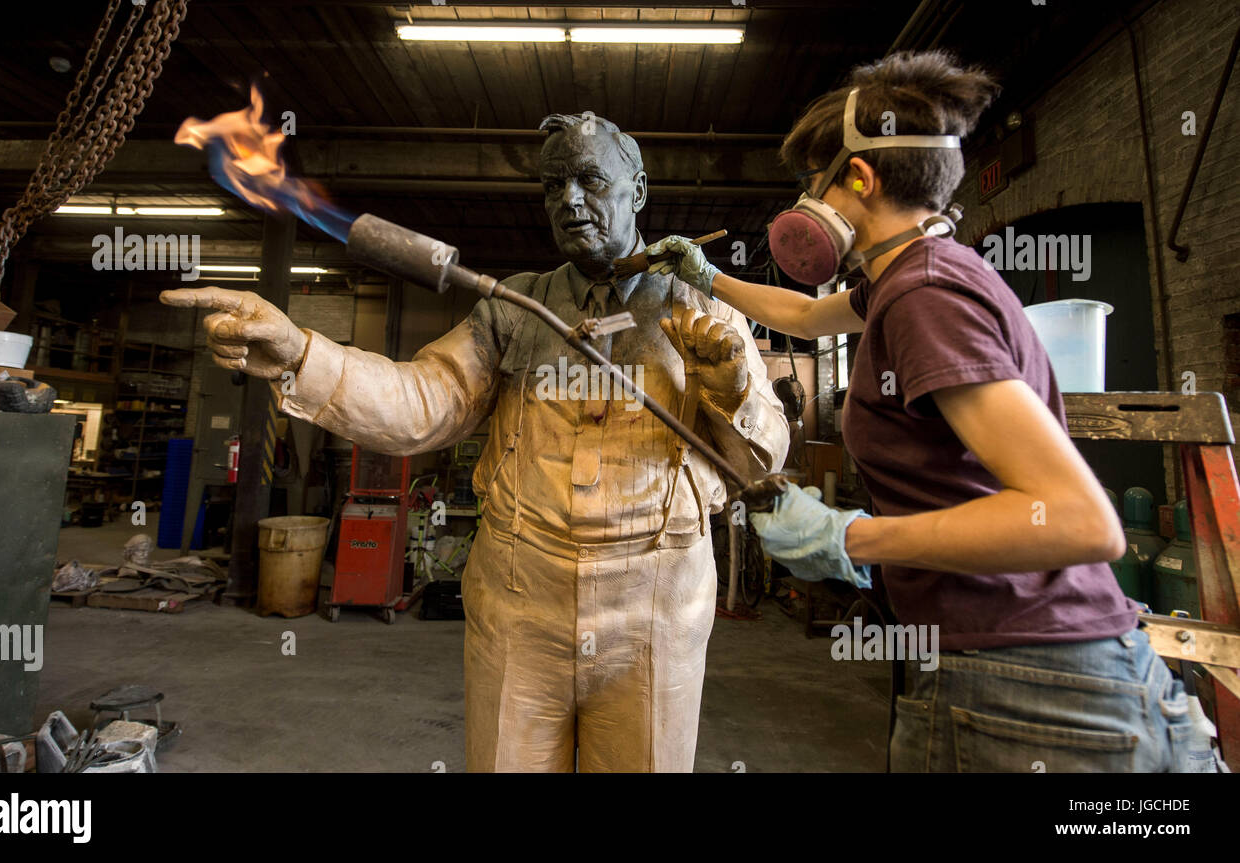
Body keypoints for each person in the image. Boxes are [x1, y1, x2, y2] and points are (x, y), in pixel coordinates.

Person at [162, 112, 789, 772]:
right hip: (522, 601)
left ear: (637, 190)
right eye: (552, 186)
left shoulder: (702, 306)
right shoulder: (515, 308)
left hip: (658, 604)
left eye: (588, 180)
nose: (569, 201)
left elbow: (758, 457)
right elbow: (418, 403)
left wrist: (731, 382)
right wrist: (300, 352)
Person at [646, 51, 1212, 772]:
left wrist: (854, 538)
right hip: (1023, 673)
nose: (802, 204)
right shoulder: (909, 280)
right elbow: (808, 315)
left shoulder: (924, 295)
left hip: (1034, 688)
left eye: (809, 184)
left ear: (858, 177)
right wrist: (708, 277)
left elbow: (1080, 519)